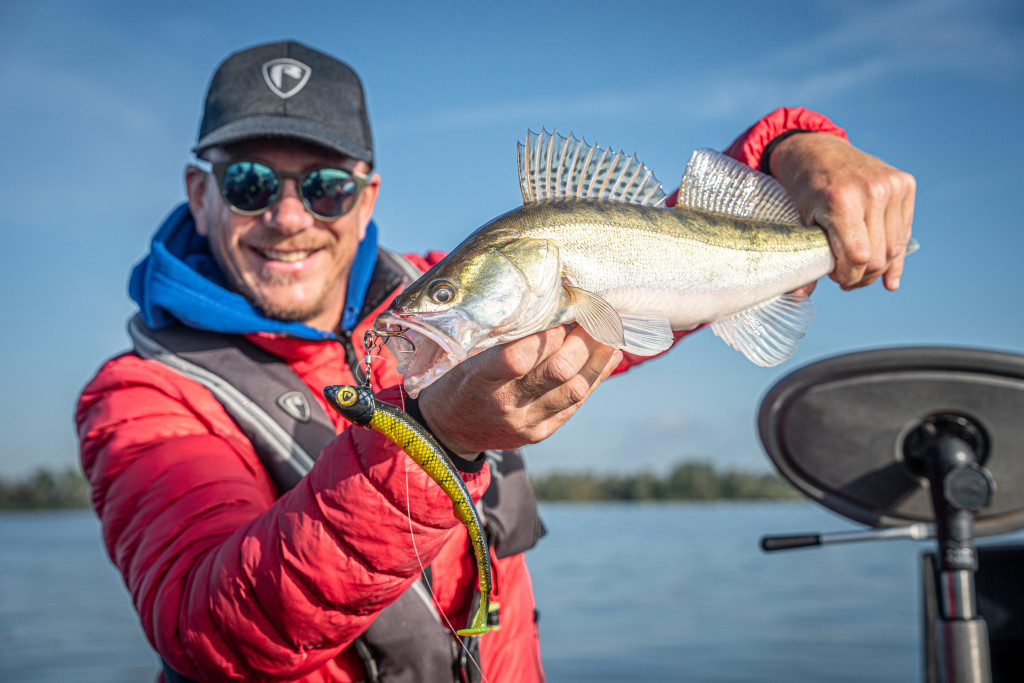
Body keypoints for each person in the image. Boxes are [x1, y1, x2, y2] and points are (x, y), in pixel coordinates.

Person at [76, 40, 915, 683]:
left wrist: (790, 146)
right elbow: (211, 629)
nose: (290, 217)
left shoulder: (453, 303)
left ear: (366, 198)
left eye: (325, 186)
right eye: (251, 183)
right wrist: (436, 441)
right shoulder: (143, 395)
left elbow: (665, 252)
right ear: (201, 194)